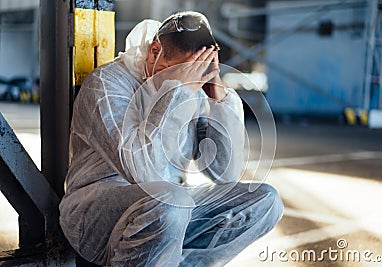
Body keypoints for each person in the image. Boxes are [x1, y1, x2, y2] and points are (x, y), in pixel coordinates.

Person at [59, 11, 283, 267]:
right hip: (97, 214)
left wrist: (218, 100)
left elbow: (225, 174)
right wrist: (177, 92)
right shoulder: (106, 85)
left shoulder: (195, 88)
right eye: (182, 73)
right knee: (171, 201)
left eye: (197, 73)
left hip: (173, 208)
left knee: (266, 200)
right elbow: (142, 170)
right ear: (154, 51)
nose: (189, 82)